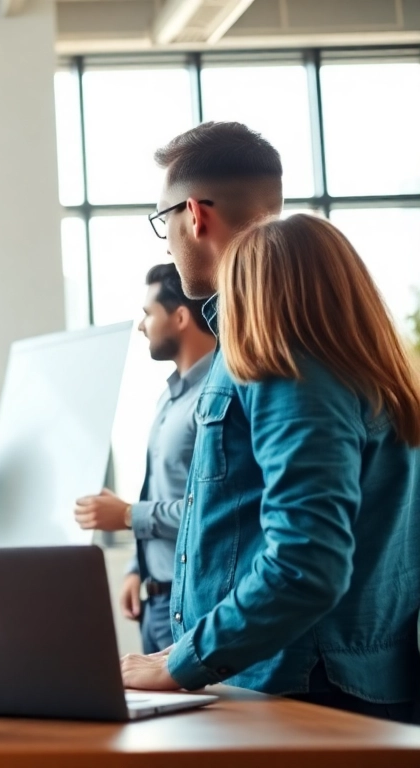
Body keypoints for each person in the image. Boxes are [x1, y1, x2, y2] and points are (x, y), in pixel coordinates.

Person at [121, 122, 420, 725]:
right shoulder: (318, 332)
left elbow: (305, 560)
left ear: (195, 215)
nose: (169, 244)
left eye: (164, 223)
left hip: (301, 692)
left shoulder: (278, 345)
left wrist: (183, 661)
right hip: (296, 681)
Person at [74, 263, 216, 654]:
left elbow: (212, 511)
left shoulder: (217, 397)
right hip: (154, 603)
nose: (141, 326)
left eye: (148, 314)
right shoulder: (167, 397)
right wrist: (137, 570)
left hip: (194, 603)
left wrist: (125, 515)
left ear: (182, 317)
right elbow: (160, 486)